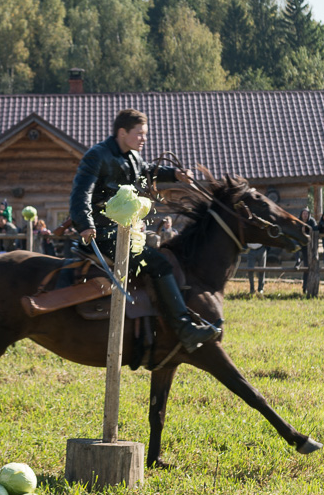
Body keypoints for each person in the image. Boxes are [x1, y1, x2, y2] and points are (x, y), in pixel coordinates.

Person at [65, 108, 219, 353]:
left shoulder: (133, 156)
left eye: (145, 134)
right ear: (122, 132)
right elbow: (80, 193)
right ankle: (184, 329)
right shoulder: (97, 156)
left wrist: (176, 174)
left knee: (166, 252)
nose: (144, 139)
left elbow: (147, 170)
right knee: (159, 264)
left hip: (127, 231)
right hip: (101, 234)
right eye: (140, 134)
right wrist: (85, 224)